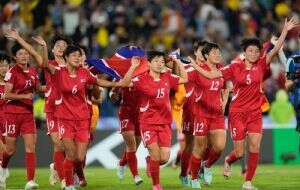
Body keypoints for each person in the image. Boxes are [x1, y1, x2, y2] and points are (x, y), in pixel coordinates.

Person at [190, 17, 298, 190]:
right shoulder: (234, 67)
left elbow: (276, 48)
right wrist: (195, 66)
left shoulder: (262, 64)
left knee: (255, 146)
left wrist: (284, 31)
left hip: (255, 113)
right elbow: (211, 76)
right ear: (245, 52)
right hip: (237, 113)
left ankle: (247, 182)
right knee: (239, 153)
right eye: (250, 51)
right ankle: (228, 160)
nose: (254, 54)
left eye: (256, 51)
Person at [42, 44, 138, 190]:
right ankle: (68, 184)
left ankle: (78, 175)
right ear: (66, 58)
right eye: (74, 55)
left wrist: (119, 82)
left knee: (79, 158)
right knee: (70, 154)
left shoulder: (85, 73)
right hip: (64, 119)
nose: (77, 58)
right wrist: (43, 47)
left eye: (79, 55)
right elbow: (43, 64)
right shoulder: (59, 72)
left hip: (83, 119)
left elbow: (100, 86)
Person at [129, 51, 188, 190]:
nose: (160, 64)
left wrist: (178, 62)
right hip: (147, 122)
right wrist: (132, 67)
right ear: (149, 63)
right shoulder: (141, 79)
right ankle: (156, 185)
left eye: (162, 61)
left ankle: (150, 161)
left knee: (164, 158)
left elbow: (185, 79)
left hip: (165, 123)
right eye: (156, 61)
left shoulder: (168, 77)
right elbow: (126, 83)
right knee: (156, 154)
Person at [1, 28, 44, 189]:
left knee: (30, 147)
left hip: (27, 115)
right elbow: (6, 94)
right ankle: (2, 167)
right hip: (12, 114)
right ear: (14, 57)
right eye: (20, 54)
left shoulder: (33, 71)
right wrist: (24, 97)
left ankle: (30, 181)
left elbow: (38, 88)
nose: (25, 56)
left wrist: (52, 88)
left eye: (26, 53)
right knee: (10, 150)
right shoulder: (12, 72)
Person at [188, 42, 228, 188]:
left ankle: (207, 165)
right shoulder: (196, 71)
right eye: (214, 53)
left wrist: (224, 100)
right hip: (201, 114)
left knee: (219, 146)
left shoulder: (221, 70)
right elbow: (184, 79)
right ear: (206, 55)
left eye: (219, 52)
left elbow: (225, 86)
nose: (218, 55)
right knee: (200, 148)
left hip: (217, 114)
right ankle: (193, 178)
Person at [32, 34, 70, 187]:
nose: (61, 47)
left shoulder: (72, 66)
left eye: (64, 46)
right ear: (53, 50)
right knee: (59, 145)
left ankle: (56, 166)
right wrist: (43, 46)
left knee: (66, 148)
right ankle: (64, 180)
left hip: (68, 110)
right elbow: (41, 61)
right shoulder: (50, 64)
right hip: (53, 110)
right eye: (58, 46)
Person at [179, 40, 208, 186]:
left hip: (206, 111)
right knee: (190, 145)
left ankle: (198, 171)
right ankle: (184, 173)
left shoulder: (212, 69)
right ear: (195, 52)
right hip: (190, 111)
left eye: (206, 51)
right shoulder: (186, 67)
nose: (203, 54)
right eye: (201, 51)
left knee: (206, 144)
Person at [0, 53, 10, 164]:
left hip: (8, 124)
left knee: (6, 152)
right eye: (1, 65)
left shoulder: (12, 85)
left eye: (6, 65)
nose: (3, 68)